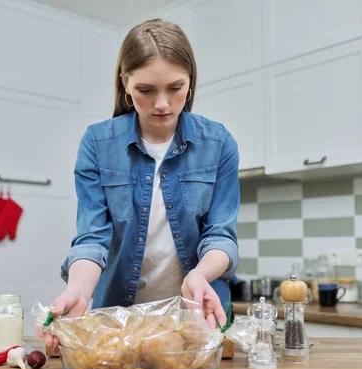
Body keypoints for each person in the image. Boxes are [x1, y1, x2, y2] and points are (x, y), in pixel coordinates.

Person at [43, 18, 240, 348]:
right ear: (125, 84)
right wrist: (77, 289)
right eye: (146, 90)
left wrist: (200, 275)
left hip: (199, 317)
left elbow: (221, 235)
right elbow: (93, 237)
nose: (162, 104)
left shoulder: (219, 143)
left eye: (175, 88)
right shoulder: (97, 143)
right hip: (118, 319)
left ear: (190, 81)